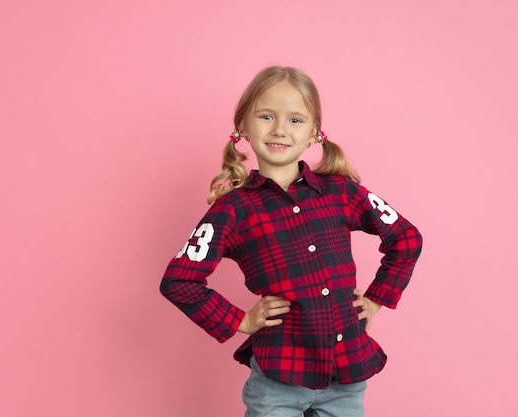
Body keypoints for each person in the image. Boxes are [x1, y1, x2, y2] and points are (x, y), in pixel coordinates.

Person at [160, 66, 423, 417]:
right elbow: (179, 280)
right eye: (266, 116)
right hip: (277, 381)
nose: (280, 129)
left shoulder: (341, 192)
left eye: (295, 120)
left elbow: (406, 238)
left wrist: (376, 300)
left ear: (315, 132)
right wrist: (242, 320)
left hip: (345, 377)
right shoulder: (232, 210)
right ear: (243, 126)